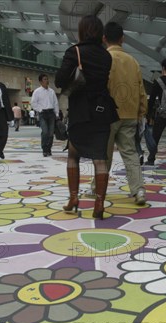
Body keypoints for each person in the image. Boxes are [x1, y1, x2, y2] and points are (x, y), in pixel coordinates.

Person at [55, 15, 119, 219]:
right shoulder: (106, 56)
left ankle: (74, 198)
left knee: (73, 155)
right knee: (100, 159)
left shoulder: (74, 52)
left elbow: (60, 80)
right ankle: (99, 204)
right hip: (102, 111)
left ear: (82, 31)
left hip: (80, 111)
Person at [91, 21, 148, 205]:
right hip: (130, 114)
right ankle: (138, 190)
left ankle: (97, 188)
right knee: (130, 153)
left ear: (104, 38)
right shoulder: (133, 61)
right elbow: (141, 90)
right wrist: (141, 112)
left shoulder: (103, 58)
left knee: (103, 155)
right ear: (122, 39)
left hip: (107, 115)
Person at [31, 74, 60, 157]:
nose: (47, 81)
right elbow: (33, 103)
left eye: (47, 79)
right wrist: (40, 110)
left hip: (51, 113)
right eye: (44, 79)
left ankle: (49, 149)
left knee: (51, 133)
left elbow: (55, 103)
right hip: (43, 113)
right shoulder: (37, 91)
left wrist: (57, 113)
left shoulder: (52, 91)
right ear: (40, 81)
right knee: (45, 132)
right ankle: (44, 149)